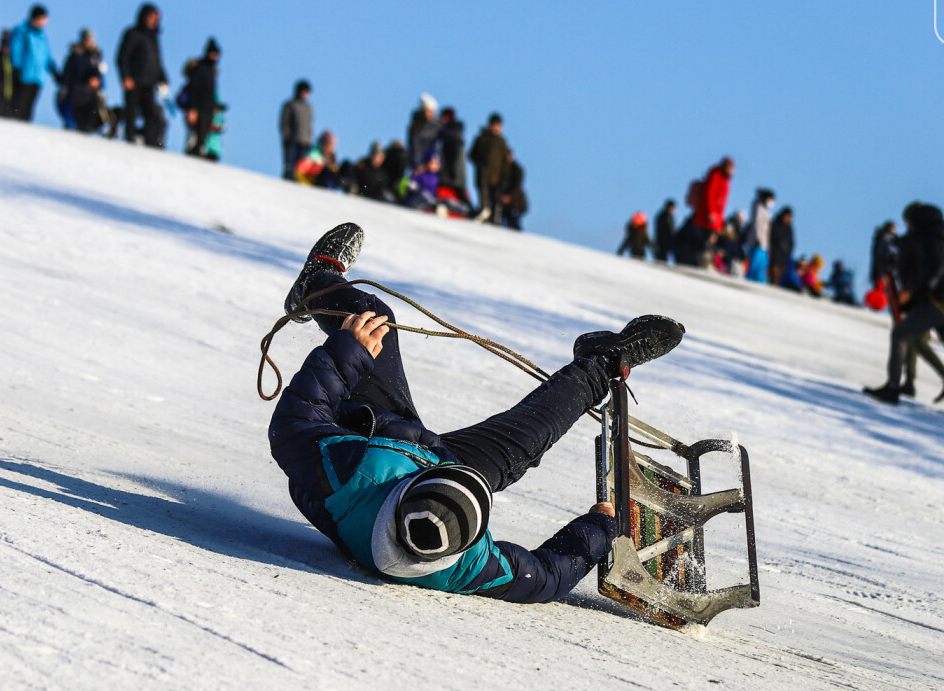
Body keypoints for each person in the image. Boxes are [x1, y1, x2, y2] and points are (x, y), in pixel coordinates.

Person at [270, 223, 685, 604]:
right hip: (415, 467)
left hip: (375, 435)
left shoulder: (351, 470)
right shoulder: (468, 565)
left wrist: (349, 353)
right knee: (526, 440)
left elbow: (294, 423)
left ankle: (317, 282)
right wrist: (599, 529)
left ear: (415, 483)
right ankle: (605, 362)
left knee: (374, 319)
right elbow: (544, 577)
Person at [864, 202, 944, 423]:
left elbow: (935, 269)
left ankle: (893, 388)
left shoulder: (928, 239)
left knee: (901, 334)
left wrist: (918, 291)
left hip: (940, 302)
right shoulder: (943, 238)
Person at [871, 219, 944, 401]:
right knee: (912, 340)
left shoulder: (920, 243)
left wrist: (910, 290)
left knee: (915, 340)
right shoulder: (924, 243)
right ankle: (909, 382)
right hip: (917, 296)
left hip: (916, 298)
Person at [117, 3, 167, 148]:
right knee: (131, 112)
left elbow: (157, 62)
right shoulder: (133, 34)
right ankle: (130, 140)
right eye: (152, 16)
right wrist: (126, 76)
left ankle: (150, 143)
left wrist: (163, 79)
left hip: (149, 83)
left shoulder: (154, 38)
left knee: (151, 114)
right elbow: (122, 57)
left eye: (157, 18)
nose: (154, 20)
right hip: (134, 82)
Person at [8, 5, 58, 121]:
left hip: (38, 77)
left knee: (29, 108)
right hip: (24, 74)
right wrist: (16, 66)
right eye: (42, 18)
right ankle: (12, 128)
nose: (44, 22)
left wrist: (54, 71)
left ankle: (25, 132)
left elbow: (46, 55)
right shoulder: (22, 31)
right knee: (18, 105)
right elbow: (16, 48)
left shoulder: (42, 36)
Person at [57, 28, 106, 132]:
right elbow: (67, 75)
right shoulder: (75, 56)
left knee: (96, 104)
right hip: (76, 93)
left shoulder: (95, 57)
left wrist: (96, 80)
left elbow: (99, 76)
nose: (90, 43)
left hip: (90, 95)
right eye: (88, 40)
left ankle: (91, 127)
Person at [182, 38, 220, 158]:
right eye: (213, 54)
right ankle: (190, 159)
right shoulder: (199, 69)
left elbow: (211, 93)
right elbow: (195, 90)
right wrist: (193, 109)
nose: (215, 57)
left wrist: (215, 107)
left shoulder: (212, 71)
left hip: (208, 110)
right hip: (198, 110)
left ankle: (198, 158)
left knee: (203, 139)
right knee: (195, 137)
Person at [469, 113, 509, 223]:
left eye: (499, 125)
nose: (496, 127)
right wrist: (480, 164)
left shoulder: (501, 142)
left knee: (495, 201)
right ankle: (482, 216)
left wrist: (504, 177)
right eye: (495, 124)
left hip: (496, 179)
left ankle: (494, 220)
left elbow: (505, 162)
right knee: (483, 199)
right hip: (482, 176)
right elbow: (471, 155)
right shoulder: (481, 139)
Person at [693, 157, 735, 247]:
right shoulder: (716, 176)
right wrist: (711, 212)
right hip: (709, 218)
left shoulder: (724, 180)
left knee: (712, 241)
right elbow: (710, 194)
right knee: (706, 241)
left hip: (716, 218)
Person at [279, 80, 313, 179]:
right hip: (292, 140)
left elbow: (309, 124)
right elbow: (284, 122)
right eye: (305, 91)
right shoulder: (290, 105)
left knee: (301, 168)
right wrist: (287, 137)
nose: (306, 94)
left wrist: (310, 138)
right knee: (290, 166)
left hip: (305, 142)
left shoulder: (308, 107)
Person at [437, 108, 470, 208]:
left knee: (457, 191)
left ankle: (469, 211)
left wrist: (451, 170)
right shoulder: (455, 136)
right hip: (454, 172)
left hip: (452, 172)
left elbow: (454, 158)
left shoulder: (451, 136)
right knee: (457, 191)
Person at [745, 189, 775, 282]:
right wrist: (758, 238)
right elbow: (757, 224)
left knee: (762, 265)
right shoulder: (759, 208)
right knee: (755, 264)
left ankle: (760, 281)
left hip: (763, 243)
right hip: (757, 241)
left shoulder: (765, 209)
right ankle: (751, 280)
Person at [407, 93, 442, 166]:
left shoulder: (437, 125)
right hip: (420, 162)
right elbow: (414, 144)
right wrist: (416, 160)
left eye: (433, 111)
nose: (431, 114)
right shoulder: (416, 126)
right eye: (429, 111)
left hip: (434, 162)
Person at [498, 151, 527, 230]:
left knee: (513, 222)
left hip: (515, 202)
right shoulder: (502, 168)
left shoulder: (516, 169)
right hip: (506, 201)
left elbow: (517, 185)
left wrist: (509, 197)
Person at [769, 206, 795, 288]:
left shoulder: (789, 228)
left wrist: (788, 253)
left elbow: (792, 243)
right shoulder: (775, 224)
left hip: (784, 259)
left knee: (780, 279)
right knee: (773, 277)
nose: (789, 219)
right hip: (775, 256)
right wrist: (773, 250)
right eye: (788, 216)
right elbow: (771, 238)